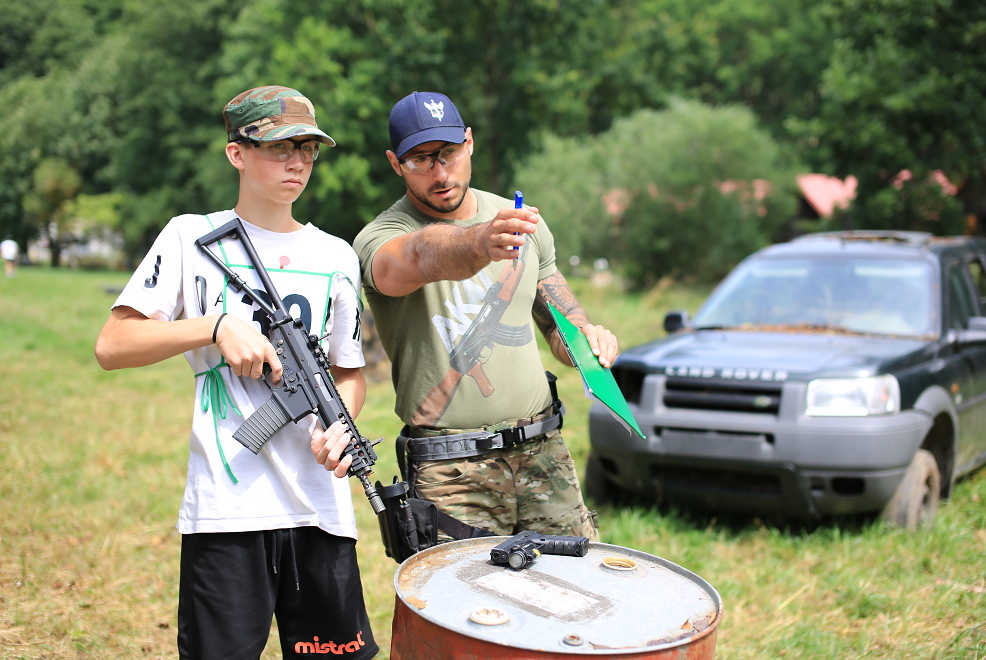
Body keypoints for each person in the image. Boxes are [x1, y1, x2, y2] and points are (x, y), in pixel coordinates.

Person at [94, 86, 378, 660]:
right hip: (225, 511)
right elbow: (113, 344)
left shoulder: (336, 256)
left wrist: (340, 428)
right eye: (280, 147)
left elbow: (349, 374)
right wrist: (215, 327)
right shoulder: (189, 237)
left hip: (321, 510)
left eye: (307, 149)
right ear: (236, 154)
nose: (297, 162)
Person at [352, 91, 619, 541]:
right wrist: (479, 242)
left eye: (448, 153)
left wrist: (588, 341)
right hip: (451, 470)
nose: (440, 172)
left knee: (576, 578)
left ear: (470, 142)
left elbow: (559, 323)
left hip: (543, 452)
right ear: (395, 164)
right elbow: (417, 257)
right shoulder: (381, 236)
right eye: (420, 160)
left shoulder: (522, 223)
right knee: (463, 588)